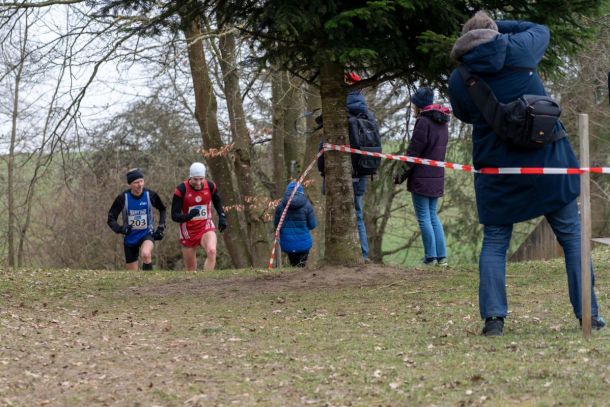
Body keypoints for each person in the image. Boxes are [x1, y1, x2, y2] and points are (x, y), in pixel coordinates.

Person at [448, 11, 604, 336]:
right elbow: (539, 27)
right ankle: (589, 315)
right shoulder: (519, 48)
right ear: (496, 32)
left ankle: (494, 321)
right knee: (572, 237)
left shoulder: (459, 78)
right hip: (548, 160)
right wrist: (498, 27)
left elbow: (464, 114)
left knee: (495, 241)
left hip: (497, 167)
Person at [317, 72, 378, 262]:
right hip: (362, 169)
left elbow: (323, 146)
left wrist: (322, 168)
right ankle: (363, 254)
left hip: (339, 173)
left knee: (335, 211)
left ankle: (340, 254)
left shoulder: (339, 112)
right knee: (357, 213)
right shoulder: (367, 114)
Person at [394, 87, 450, 266]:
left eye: (413, 105)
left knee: (424, 217)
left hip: (421, 177)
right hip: (437, 175)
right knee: (433, 215)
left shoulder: (423, 122)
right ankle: (441, 257)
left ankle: (430, 258)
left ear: (419, 106)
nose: (412, 108)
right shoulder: (443, 122)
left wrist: (400, 174)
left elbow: (413, 152)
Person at [171, 162, 227, 271]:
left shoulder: (210, 186)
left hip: (205, 226)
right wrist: (189, 216)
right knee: (191, 269)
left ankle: (207, 279)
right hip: (188, 231)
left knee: (212, 251)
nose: (198, 183)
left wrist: (222, 216)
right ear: (190, 177)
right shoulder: (181, 190)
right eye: (195, 179)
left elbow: (217, 202)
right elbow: (174, 215)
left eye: (201, 179)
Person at [107, 168, 167, 271]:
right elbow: (111, 218)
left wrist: (161, 227)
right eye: (136, 182)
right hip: (130, 237)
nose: (140, 185)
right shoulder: (123, 198)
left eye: (141, 181)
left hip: (146, 233)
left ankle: (149, 280)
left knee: (146, 254)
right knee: (132, 273)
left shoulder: (150, 195)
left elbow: (162, 209)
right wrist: (121, 229)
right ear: (129, 184)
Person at [273, 181, 317, 267]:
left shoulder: (280, 206)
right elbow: (312, 225)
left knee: (293, 264)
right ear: (301, 192)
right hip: (304, 242)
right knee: (301, 265)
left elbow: (277, 225)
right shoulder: (307, 206)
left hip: (287, 242)